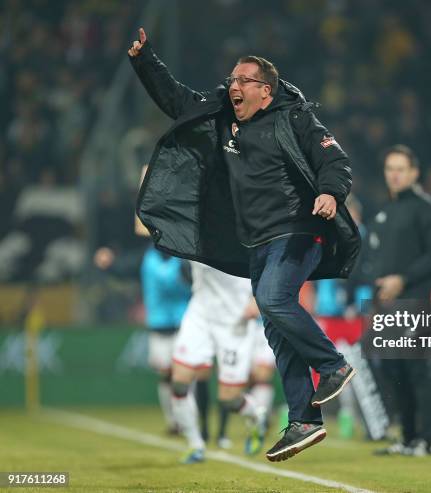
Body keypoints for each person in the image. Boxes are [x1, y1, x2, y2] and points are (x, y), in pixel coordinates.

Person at [128, 27, 360, 462]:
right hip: (255, 242)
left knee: (273, 300)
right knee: (277, 330)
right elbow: (178, 102)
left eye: (243, 80)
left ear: (266, 91)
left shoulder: (294, 118)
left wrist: (329, 192)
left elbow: (335, 160)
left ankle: (333, 366)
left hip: (297, 229)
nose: (233, 85)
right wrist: (145, 61)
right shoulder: (223, 117)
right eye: (232, 79)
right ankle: (305, 420)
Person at [364, 145, 431, 457]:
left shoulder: (425, 208)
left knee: (417, 370)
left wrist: (403, 280)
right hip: (386, 306)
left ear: (414, 173)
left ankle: (427, 438)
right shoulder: (386, 211)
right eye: (389, 169)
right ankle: (408, 437)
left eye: (400, 169)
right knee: (394, 370)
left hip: (415, 302)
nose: (394, 174)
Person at [171, 261, 267, 464]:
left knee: (230, 399)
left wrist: (258, 297)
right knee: (179, 383)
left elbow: (269, 257)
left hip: (235, 321)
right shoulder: (196, 229)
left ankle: (256, 415)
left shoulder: (243, 231)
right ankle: (195, 445)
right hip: (200, 315)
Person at [140, 245, 191, 435]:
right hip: (158, 324)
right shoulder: (148, 257)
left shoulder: (184, 258)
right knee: (165, 374)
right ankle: (173, 421)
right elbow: (125, 267)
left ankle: (186, 420)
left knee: (182, 374)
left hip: (182, 323)